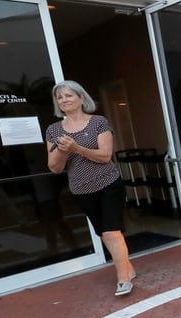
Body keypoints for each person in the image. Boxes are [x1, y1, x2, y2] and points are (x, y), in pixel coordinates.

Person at [45, 80, 136, 296]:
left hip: (108, 183)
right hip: (81, 189)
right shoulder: (53, 130)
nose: (64, 100)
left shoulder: (98, 122)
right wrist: (63, 150)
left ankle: (123, 279)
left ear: (81, 98)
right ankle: (129, 269)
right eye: (60, 97)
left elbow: (105, 156)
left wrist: (76, 147)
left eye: (69, 95)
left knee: (112, 231)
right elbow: (54, 168)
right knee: (104, 234)